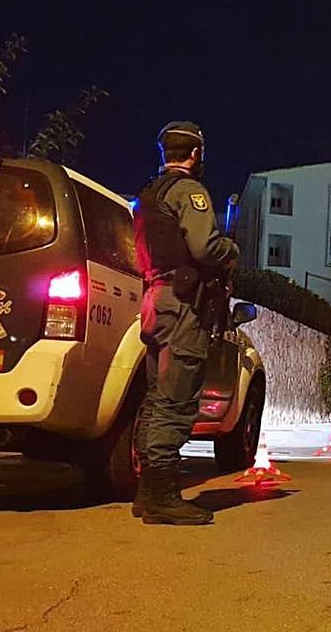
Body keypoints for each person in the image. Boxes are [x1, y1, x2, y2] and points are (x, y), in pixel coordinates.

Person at [131, 121, 239, 525]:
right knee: (176, 399)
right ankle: (163, 497)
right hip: (180, 305)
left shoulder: (147, 195)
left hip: (154, 301)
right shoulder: (189, 193)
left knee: (156, 398)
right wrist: (230, 247)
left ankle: (146, 492)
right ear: (195, 154)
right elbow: (205, 246)